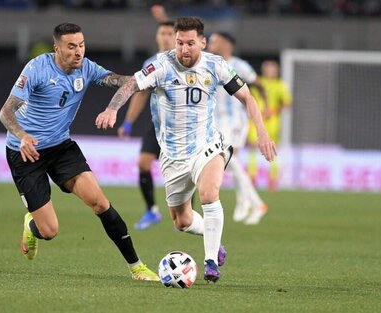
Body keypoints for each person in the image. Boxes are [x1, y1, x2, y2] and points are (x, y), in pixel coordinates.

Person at [96, 17, 276, 283]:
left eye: (190, 43)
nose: (184, 49)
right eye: (180, 43)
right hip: (172, 155)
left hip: (209, 144)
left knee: (208, 193)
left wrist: (261, 132)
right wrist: (113, 108)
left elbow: (247, 96)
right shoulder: (162, 66)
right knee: (181, 221)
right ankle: (214, 238)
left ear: (202, 42)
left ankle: (211, 261)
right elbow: (133, 85)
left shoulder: (216, 66)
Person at [0, 22, 158, 281]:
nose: (78, 52)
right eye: (71, 46)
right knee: (49, 231)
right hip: (25, 152)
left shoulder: (87, 68)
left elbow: (125, 82)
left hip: (61, 147)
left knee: (100, 202)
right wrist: (23, 136)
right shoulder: (37, 69)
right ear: (57, 48)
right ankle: (32, 224)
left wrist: (124, 98)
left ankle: (136, 267)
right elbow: (6, 112)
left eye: (81, 45)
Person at [117, 21, 175, 230]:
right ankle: (152, 210)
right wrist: (128, 122)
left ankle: (188, 214)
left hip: (183, 127)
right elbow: (140, 93)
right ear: (157, 37)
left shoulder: (186, 60)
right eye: (163, 32)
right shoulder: (152, 63)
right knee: (143, 163)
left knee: (186, 171)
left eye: (170, 33)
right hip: (159, 125)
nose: (166, 36)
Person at [207, 32, 269, 225]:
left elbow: (259, 86)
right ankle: (245, 202)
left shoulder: (240, 65)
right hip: (215, 121)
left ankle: (254, 202)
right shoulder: (209, 62)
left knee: (228, 160)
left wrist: (265, 107)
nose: (210, 43)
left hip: (235, 120)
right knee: (232, 165)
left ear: (226, 44)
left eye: (214, 41)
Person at [248, 60, 292, 191]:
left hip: (272, 120)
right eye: (267, 68)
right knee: (253, 148)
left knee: (271, 149)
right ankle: (252, 179)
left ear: (277, 71)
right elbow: (249, 98)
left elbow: (287, 103)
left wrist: (273, 110)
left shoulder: (280, 85)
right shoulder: (258, 82)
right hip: (257, 118)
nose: (269, 71)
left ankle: (272, 180)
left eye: (272, 69)